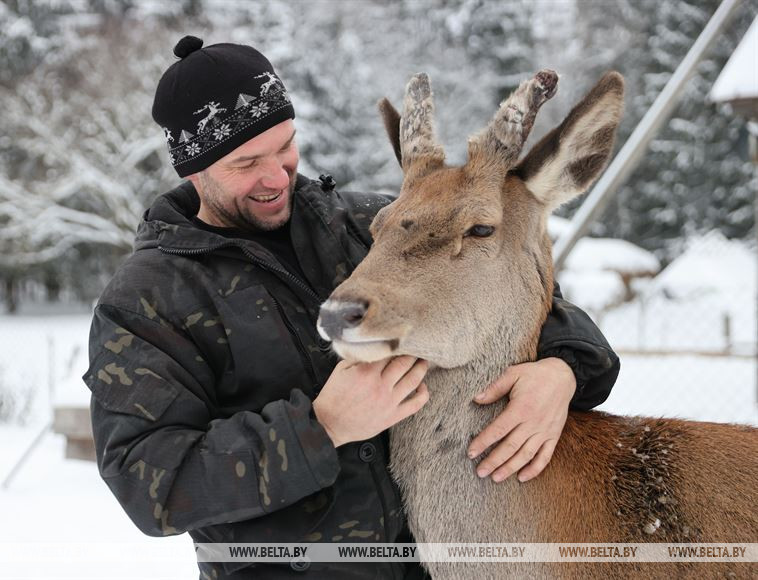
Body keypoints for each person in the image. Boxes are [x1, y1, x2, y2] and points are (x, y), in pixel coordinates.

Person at [83, 36, 620, 579]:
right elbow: (151, 486)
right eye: (247, 162)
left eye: (285, 147)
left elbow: (519, 299)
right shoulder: (145, 301)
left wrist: (563, 369)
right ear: (193, 170)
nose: (276, 177)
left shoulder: (372, 225)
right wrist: (322, 426)